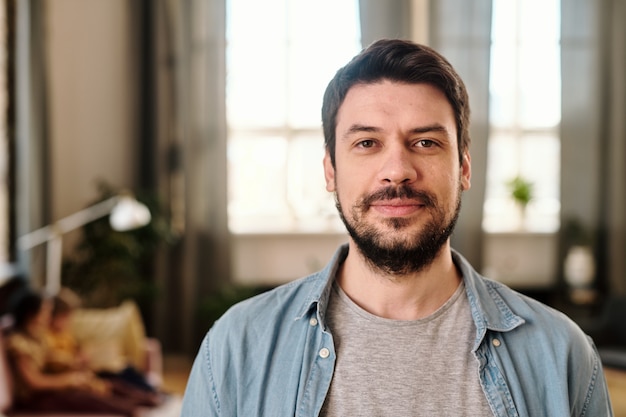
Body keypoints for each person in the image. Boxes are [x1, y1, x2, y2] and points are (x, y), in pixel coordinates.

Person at [181, 39, 614, 416]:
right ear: (331, 171)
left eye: (425, 142)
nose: (397, 171)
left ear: (463, 167)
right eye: (367, 143)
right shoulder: (237, 348)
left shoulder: (562, 355)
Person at [5, 290, 158, 416]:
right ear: (31, 315)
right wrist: (68, 380)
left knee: (103, 384)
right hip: (35, 398)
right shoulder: (18, 344)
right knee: (88, 399)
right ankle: (134, 410)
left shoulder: (36, 337)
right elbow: (34, 383)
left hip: (50, 388)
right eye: (45, 311)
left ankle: (145, 401)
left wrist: (75, 367)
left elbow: (51, 358)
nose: (48, 315)